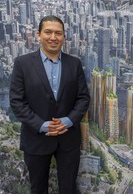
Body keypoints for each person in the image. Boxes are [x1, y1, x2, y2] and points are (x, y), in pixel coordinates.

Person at [9, 15, 90, 194]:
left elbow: (83, 98)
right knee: (38, 189)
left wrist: (68, 121)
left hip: (68, 140)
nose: (53, 37)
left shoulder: (74, 63)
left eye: (58, 33)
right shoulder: (22, 64)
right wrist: (42, 125)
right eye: (48, 32)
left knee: (69, 189)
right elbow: (17, 101)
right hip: (36, 139)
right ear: (39, 35)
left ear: (64, 37)